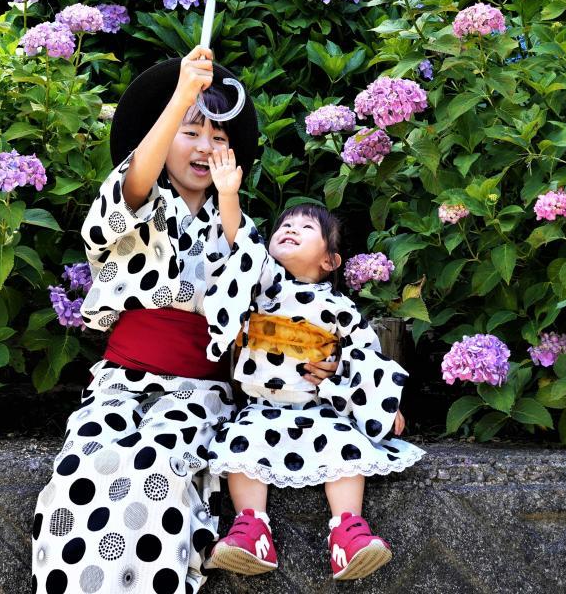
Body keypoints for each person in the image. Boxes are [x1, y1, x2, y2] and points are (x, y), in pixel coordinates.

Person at [30, 47, 337, 594]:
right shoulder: (139, 206)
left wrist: (308, 362)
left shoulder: (245, 229)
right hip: (121, 385)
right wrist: (179, 96)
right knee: (81, 474)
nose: (205, 147)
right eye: (190, 131)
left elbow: (270, 312)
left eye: (219, 138)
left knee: (157, 473)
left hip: (201, 393)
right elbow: (132, 189)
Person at [203, 203, 422, 582]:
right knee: (240, 445)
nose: (291, 229)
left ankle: (348, 532)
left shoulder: (341, 307)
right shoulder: (262, 285)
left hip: (321, 411)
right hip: (260, 409)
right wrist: (227, 195)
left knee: (345, 450)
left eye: (306, 227)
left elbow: (366, 355)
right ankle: (251, 530)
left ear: (330, 261)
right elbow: (242, 240)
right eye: (285, 225)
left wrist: (384, 404)